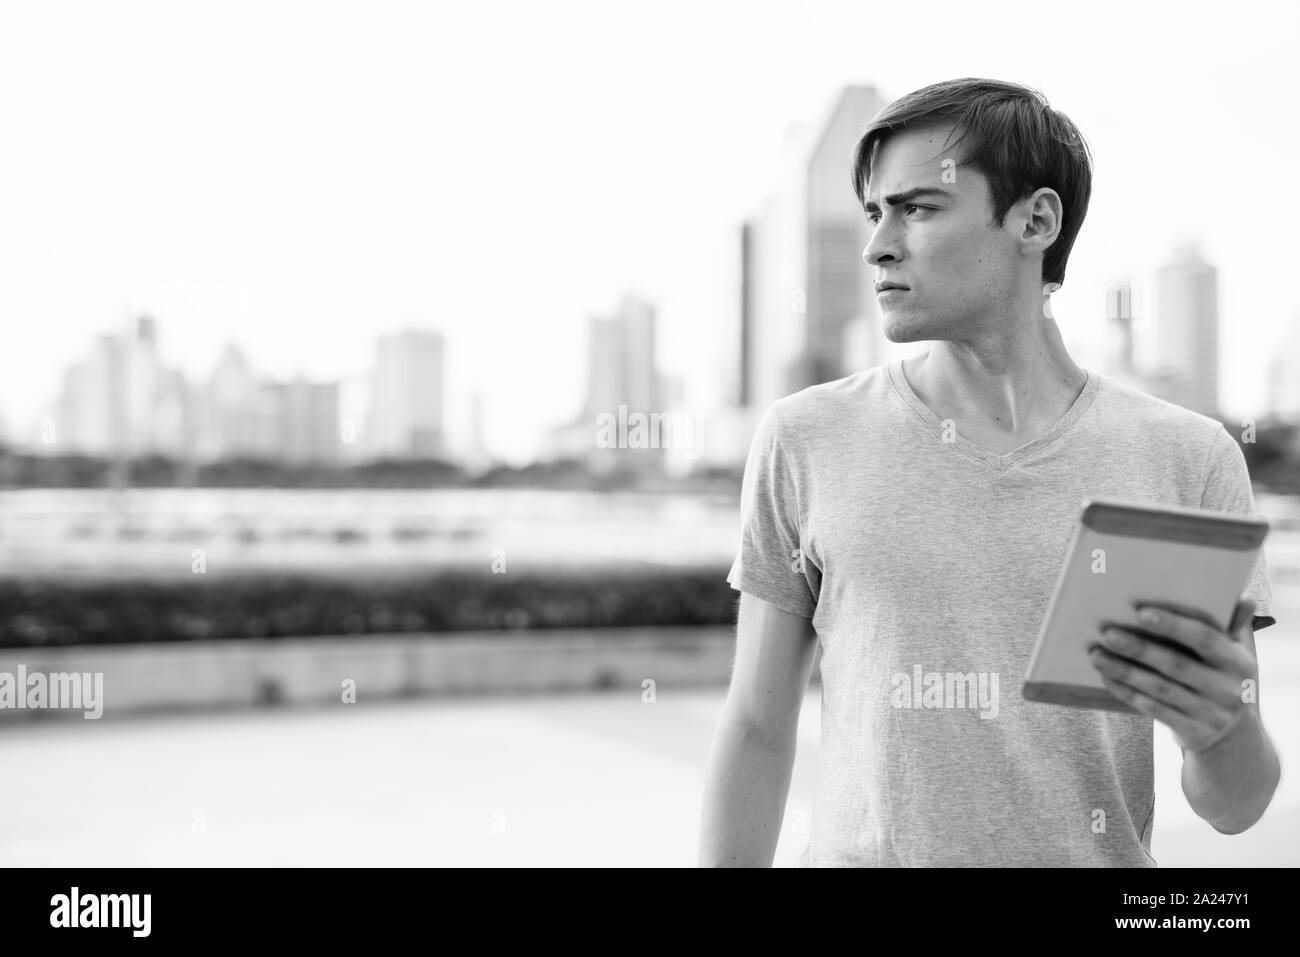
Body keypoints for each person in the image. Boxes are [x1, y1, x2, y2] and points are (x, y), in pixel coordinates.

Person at [698, 77, 1280, 867]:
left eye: (917, 208)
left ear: (1034, 220)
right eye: (877, 212)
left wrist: (1223, 727)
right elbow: (757, 728)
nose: (878, 244)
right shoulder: (806, 436)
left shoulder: (1186, 457)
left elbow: (1236, 805)